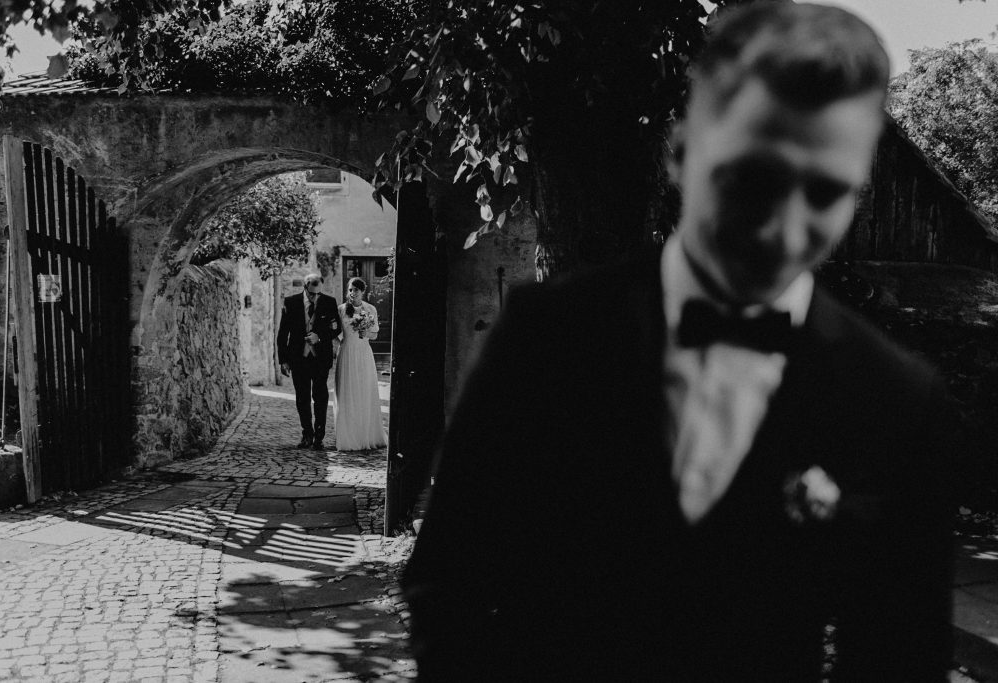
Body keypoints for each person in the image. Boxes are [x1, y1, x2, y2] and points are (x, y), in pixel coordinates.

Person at [402, 3, 954, 681]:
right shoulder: (546, 337)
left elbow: (901, 658)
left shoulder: (897, 399)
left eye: (825, 191)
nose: (782, 229)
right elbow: (449, 582)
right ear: (684, 147)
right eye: (754, 176)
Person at [276, 273, 342, 449]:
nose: (315, 297)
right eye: (312, 294)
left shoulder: (329, 302)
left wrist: (319, 337)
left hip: (320, 359)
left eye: (318, 293)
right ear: (305, 288)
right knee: (302, 398)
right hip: (298, 358)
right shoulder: (291, 303)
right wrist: (283, 360)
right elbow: (283, 334)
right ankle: (307, 434)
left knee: (320, 396)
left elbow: (336, 329)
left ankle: (319, 435)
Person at [334, 277, 388, 451]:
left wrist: (365, 332)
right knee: (347, 391)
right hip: (347, 351)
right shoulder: (341, 310)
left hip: (364, 353)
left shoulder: (370, 309)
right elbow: (336, 334)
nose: (352, 293)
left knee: (364, 391)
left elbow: (375, 335)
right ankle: (349, 437)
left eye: (356, 290)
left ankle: (367, 434)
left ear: (362, 291)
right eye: (350, 290)